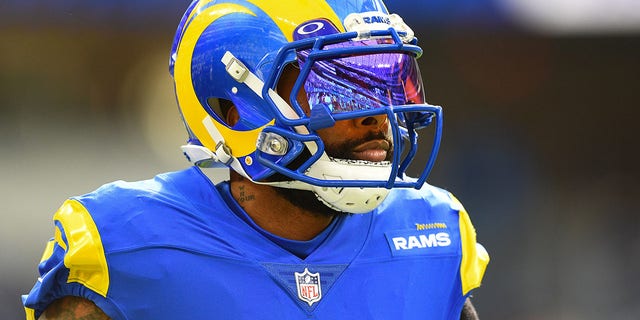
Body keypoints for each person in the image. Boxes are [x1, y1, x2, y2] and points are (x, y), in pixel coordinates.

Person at [22, 0, 489, 319]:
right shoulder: (122, 245)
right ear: (233, 107)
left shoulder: (433, 232)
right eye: (339, 89)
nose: (378, 117)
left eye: (386, 84)